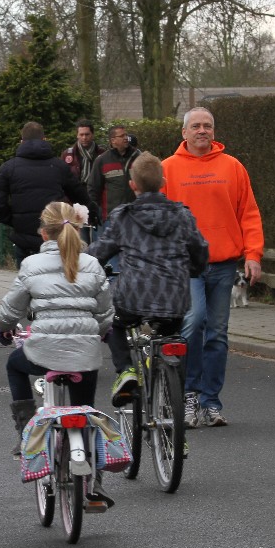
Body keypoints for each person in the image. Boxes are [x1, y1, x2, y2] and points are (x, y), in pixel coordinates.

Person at [0, 201, 114, 500]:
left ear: (43, 232)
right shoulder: (92, 264)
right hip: (85, 354)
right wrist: (99, 332)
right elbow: (105, 313)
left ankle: (26, 434)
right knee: (84, 411)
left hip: (43, 352)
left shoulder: (31, 265)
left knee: (14, 365)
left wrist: (3, 328)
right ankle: (95, 482)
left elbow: (11, 309)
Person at [161, 107, 264, 429]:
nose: (202, 130)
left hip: (224, 264)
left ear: (214, 131)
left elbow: (249, 213)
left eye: (207, 125)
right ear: (184, 132)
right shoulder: (168, 169)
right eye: (195, 126)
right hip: (186, 266)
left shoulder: (233, 167)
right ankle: (189, 395)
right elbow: (157, 218)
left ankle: (211, 402)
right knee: (193, 323)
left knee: (217, 335)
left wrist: (253, 255)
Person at [87, 152, 208, 405]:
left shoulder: (124, 216)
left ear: (133, 185)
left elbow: (101, 251)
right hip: (174, 299)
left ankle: (126, 370)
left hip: (133, 298)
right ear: (163, 182)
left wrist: (82, 262)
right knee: (171, 335)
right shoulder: (182, 215)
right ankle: (169, 380)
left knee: (112, 322)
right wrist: (195, 270)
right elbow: (199, 249)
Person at [0, 121, 97, 266]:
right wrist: (92, 211)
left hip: (24, 236)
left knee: (26, 275)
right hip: (54, 233)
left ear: (22, 141)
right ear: (44, 139)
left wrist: (11, 219)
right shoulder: (59, 166)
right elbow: (79, 195)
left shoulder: (9, 167)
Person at [88, 124, 139, 223]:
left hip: (135, 215)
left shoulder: (138, 157)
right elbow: (93, 188)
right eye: (122, 136)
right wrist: (94, 211)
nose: (126, 138)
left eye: (126, 135)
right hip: (111, 217)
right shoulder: (102, 161)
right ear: (113, 140)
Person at [62, 118, 104, 185]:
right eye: (81, 135)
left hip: (95, 189)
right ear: (77, 135)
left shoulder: (102, 153)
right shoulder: (67, 154)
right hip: (75, 189)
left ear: (93, 135)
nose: (84, 138)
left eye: (87, 134)